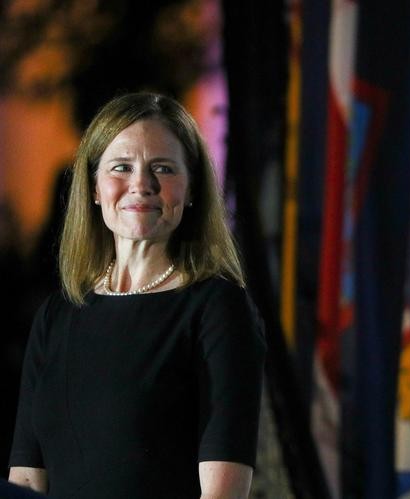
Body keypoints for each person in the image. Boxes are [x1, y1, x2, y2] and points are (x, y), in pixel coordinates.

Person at [8, 93, 266, 498]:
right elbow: (25, 479)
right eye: (121, 167)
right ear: (94, 188)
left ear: (192, 188)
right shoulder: (56, 315)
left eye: (162, 168)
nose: (141, 185)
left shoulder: (218, 308)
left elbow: (223, 493)